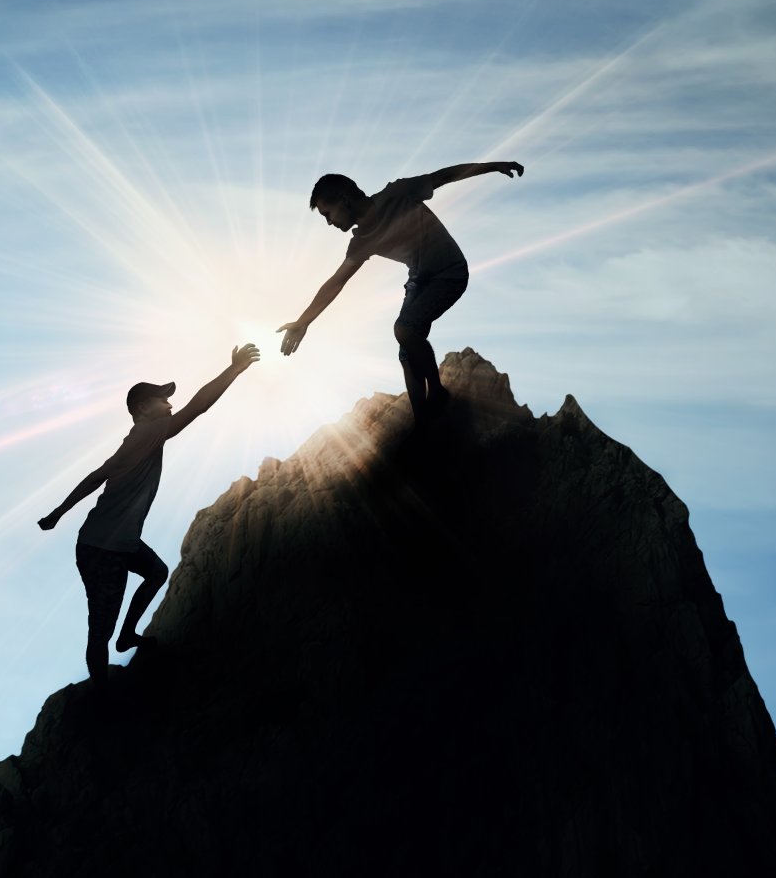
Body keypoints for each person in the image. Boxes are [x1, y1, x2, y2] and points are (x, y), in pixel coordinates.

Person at [39, 344, 261, 685]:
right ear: (143, 408)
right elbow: (198, 407)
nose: (170, 404)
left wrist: (59, 512)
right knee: (101, 627)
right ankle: (99, 697)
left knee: (156, 572)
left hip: (117, 540)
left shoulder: (140, 438)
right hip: (102, 548)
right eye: (163, 399)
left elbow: (98, 475)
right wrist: (234, 370)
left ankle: (128, 635)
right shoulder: (148, 431)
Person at [277, 161, 523, 422]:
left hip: (450, 272)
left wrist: (496, 165)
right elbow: (336, 282)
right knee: (406, 351)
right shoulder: (361, 241)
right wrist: (303, 322)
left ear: (343, 199)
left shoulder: (398, 193)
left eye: (328, 214)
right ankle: (423, 423)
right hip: (419, 280)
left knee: (404, 329)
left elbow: (445, 175)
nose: (328, 222)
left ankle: (437, 392)